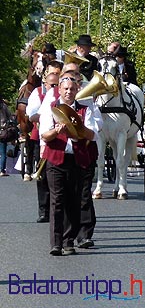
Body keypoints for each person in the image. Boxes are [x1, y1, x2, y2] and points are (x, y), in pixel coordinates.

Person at [39, 72, 102, 255]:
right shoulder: (50, 108)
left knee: (74, 201)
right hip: (56, 159)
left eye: (72, 89)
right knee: (57, 200)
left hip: (77, 159)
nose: (68, 92)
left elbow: (93, 134)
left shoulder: (84, 109)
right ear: (59, 90)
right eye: (65, 89)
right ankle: (56, 243)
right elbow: (45, 135)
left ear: (77, 91)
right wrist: (56, 131)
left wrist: (77, 129)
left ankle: (69, 241)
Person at [26, 71, 60, 221]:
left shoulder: (63, 96)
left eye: (56, 85)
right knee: (42, 177)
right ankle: (43, 210)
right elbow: (31, 114)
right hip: (41, 136)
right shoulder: (38, 93)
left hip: (60, 140)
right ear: (45, 84)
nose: (54, 87)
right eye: (52, 85)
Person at [0, 97, 16, 176]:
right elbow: (10, 117)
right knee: (3, 152)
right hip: (2, 131)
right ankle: (2, 170)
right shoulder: (3, 106)